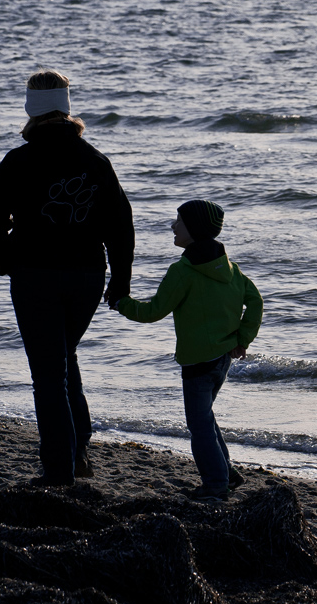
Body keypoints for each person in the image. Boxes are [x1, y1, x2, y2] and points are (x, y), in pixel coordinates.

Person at [0, 69, 135, 486]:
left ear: (30, 109)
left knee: (48, 374)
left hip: (35, 276)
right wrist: (120, 282)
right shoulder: (95, 160)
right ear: (68, 107)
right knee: (64, 359)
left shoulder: (18, 160)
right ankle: (79, 450)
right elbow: (121, 226)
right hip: (86, 276)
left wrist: (8, 262)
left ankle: (58, 471)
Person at [110, 199, 263, 501]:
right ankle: (227, 474)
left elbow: (153, 311)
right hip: (222, 360)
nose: (172, 226)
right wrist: (242, 339)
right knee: (204, 418)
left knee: (199, 424)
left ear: (193, 229)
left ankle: (217, 484)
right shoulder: (230, 269)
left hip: (197, 362)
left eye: (178, 221)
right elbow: (255, 302)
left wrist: (120, 303)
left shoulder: (183, 271)